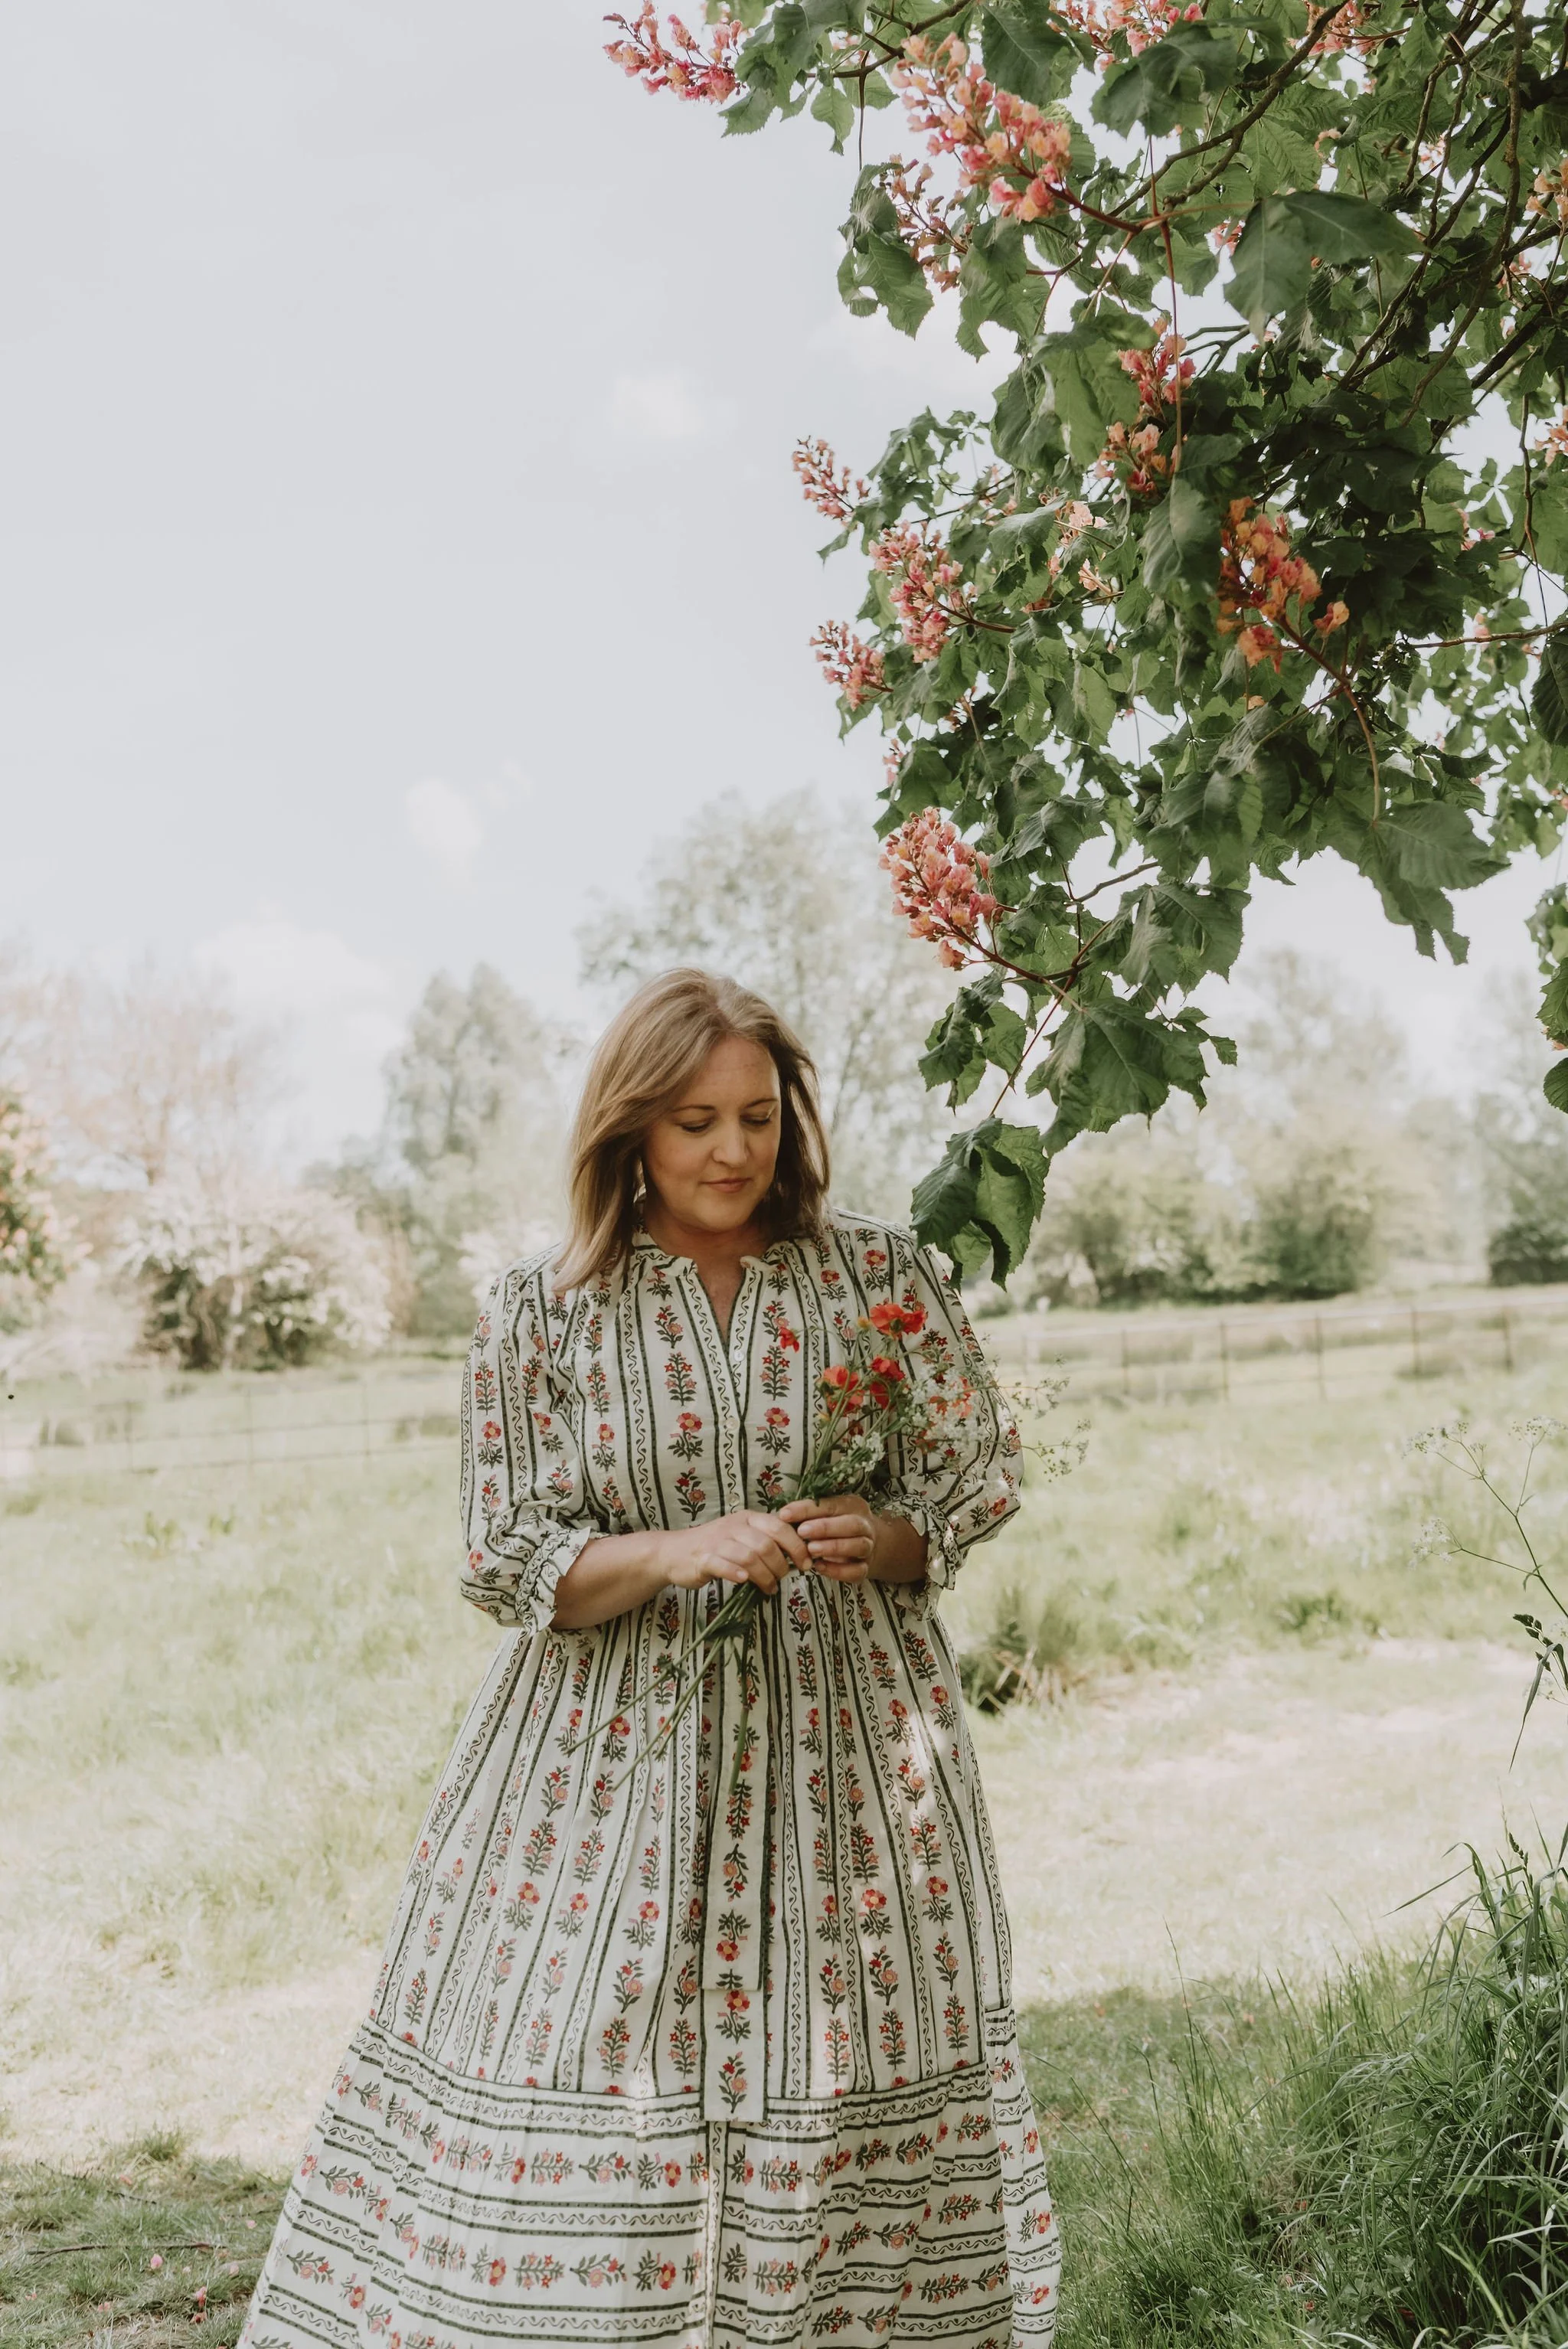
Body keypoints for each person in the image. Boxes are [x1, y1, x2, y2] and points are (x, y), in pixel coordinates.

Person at [241, 967, 1060, 2349]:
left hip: (847, 1755)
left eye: (755, 1115)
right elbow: (506, 1551)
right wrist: (679, 1550)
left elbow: (977, 1471)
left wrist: (890, 1534)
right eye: (693, 1122)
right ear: (628, 1130)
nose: (732, 1150)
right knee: (589, 2053)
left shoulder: (878, 1273)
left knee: (846, 2047)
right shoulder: (544, 1309)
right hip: (608, 1765)